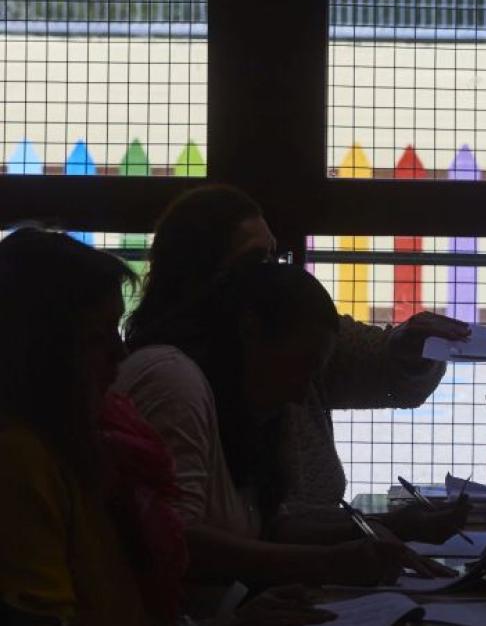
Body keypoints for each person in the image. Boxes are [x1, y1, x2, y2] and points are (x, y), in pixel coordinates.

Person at [0, 229, 335, 626]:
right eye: (96, 337)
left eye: (116, 330)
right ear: (39, 351)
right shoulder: (21, 461)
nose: (119, 352)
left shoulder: (84, 442)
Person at [126, 184, 469, 539]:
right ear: (202, 276)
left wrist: (409, 349)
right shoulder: (171, 379)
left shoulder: (291, 333)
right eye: (257, 261)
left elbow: (384, 370)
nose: (272, 274)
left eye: (274, 258)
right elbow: (184, 540)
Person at [116, 261, 453, 619]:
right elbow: (177, 542)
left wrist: (390, 527)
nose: (302, 393)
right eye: (302, 365)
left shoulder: (241, 396)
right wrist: (325, 563)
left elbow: (267, 530)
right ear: (250, 329)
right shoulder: (174, 380)